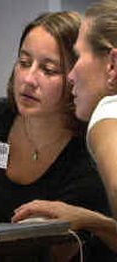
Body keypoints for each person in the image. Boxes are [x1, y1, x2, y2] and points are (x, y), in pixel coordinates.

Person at [0, 11, 114, 260]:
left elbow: (57, 253)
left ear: (75, 76)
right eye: (23, 62)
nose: (29, 79)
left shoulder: (91, 146)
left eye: (49, 69)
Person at [12, 0, 117, 253]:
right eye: (24, 62)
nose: (71, 76)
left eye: (78, 57)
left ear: (112, 65)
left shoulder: (108, 112)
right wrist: (94, 221)